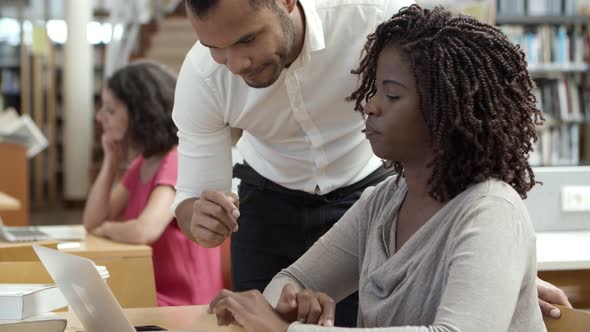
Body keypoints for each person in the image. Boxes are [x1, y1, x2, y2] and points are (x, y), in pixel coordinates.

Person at [172, 0, 570, 324]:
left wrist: (497, 268)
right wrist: (289, 308)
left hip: (357, 178)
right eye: (216, 50)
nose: (367, 104)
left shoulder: (488, 211)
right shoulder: (383, 204)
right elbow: (289, 281)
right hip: (269, 194)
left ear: (447, 110)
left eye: (390, 95)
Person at [83, 60, 223, 306]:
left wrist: (106, 230)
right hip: (153, 293)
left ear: (140, 113)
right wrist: (110, 162)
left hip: (182, 303)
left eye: (111, 110)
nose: (100, 117)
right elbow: (92, 221)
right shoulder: (143, 163)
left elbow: (144, 230)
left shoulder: (175, 159)